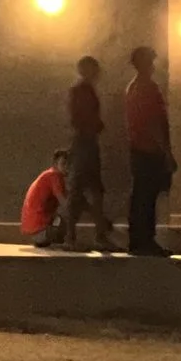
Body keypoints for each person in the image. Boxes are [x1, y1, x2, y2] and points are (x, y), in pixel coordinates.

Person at [124, 45, 177, 256]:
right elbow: (154, 122)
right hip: (149, 151)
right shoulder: (148, 88)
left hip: (138, 149)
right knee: (147, 196)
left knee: (141, 195)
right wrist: (166, 153)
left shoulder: (132, 88)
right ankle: (145, 240)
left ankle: (138, 239)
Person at [63, 55, 115, 251]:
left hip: (85, 141)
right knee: (86, 190)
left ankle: (78, 235)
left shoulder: (82, 90)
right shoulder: (82, 91)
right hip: (86, 143)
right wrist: (95, 127)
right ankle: (81, 235)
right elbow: (81, 118)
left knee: (86, 190)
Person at [20, 150, 70, 248]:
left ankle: (49, 240)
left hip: (34, 229)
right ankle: (67, 243)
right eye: (63, 164)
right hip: (39, 229)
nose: (67, 167)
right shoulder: (54, 175)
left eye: (69, 164)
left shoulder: (50, 175)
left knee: (60, 217)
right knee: (66, 218)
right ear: (55, 164)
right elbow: (65, 203)